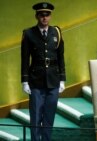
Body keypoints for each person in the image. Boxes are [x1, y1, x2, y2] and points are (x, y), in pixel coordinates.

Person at [21, 2, 66, 141]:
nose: (44, 17)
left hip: (53, 80)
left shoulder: (56, 32)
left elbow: (60, 57)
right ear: (36, 16)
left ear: (50, 16)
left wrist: (62, 79)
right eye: (41, 15)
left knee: (49, 116)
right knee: (35, 116)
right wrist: (24, 81)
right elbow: (24, 59)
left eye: (47, 15)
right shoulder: (28, 33)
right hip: (36, 81)